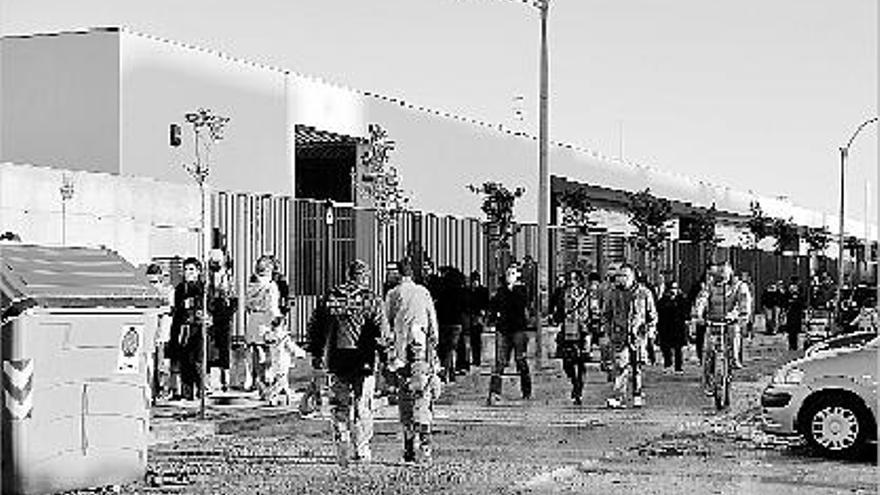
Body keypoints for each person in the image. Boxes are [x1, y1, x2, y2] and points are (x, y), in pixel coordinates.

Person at [308, 260, 389, 465]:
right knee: (363, 405)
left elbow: (316, 327)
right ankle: (361, 448)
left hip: (337, 360)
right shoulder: (371, 299)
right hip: (365, 361)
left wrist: (316, 354)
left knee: (339, 405)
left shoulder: (330, 297)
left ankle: (342, 444)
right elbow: (382, 334)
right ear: (365, 277)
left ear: (348, 275)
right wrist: (387, 358)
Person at [384, 259, 441, 464]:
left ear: (399, 274)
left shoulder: (393, 294)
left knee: (405, 400)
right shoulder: (423, 292)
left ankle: (409, 448)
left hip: (401, 354)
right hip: (422, 352)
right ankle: (425, 447)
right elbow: (433, 324)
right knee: (423, 397)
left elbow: (386, 325)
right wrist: (434, 352)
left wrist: (388, 353)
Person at [691, 262, 752, 395]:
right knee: (707, 352)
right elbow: (702, 299)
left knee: (734, 333)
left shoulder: (740, 286)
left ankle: (734, 358)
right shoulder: (709, 286)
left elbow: (743, 303)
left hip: (730, 322)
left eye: (723, 275)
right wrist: (698, 315)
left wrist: (740, 316)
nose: (721, 279)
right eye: (719, 276)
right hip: (712, 322)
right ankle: (708, 381)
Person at [603, 264, 657, 409]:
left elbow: (652, 315)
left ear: (633, 277)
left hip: (638, 336)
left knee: (636, 366)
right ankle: (618, 397)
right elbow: (606, 315)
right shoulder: (613, 293)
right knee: (620, 366)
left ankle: (637, 394)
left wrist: (649, 330)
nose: (621, 279)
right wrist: (609, 331)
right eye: (619, 276)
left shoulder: (644, 293)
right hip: (619, 335)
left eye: (625, 275)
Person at [487, 263, 532, 406]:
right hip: (504, 329)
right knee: (499, 362)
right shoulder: (501, 291)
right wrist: (493, 318)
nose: (509, 276)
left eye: (513, 273)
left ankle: (526, 389)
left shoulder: (522, 290)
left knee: (520, 360)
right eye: (508, 273)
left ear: (518, 276)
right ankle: (494, 392)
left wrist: (512, 289)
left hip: (518, 329)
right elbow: (494, 306)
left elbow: (521, 304)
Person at [169, 257, 208, 401]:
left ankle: (202, 390)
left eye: (191, 269)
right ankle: (187, 393)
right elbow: (177, 310)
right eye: (185, 269)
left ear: (198, 271)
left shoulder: (203, 287)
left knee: (197, 360)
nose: (188, 272)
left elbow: (208, 306)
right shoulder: (180, 288)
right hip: (184, 328)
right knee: (185, 361)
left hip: (198, 328)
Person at [245, 255, 283, 397]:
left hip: (253, 319)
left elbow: (247, 304)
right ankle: (266, 386)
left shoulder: (252, 284)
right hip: (266, 320)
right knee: (267, 355)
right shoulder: (270, 286)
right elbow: (273, 307)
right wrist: (277, 320)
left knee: (255, 351)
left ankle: (257, 382)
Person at [552, 270, 590, 405]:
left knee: (581, 361)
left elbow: (591, 310)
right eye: (570, 279)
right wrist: (556, 317)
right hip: (567, 329)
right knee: (567, 362)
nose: (572, 281)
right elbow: (557, 309)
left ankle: (578, 388)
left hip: (582, 330)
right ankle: (574, 381)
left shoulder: (586, 294)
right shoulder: (563, 292)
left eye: (575, 279)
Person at [206, 249, 236, 392]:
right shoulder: (207, 277)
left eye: (218, 261)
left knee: (224, 348)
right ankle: (210, 382)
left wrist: (229, 312)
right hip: (211, 314)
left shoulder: (228, 277)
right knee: (210, 348)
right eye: (213, 261)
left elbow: (233, 298)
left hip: (223, 315)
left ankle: (225, 380)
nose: (215, 263)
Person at [146, 263, 174, 403]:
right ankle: (153, 392)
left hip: (162, 335)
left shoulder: (167, 292)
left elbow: (169, 309)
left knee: (161, 365)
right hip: (150, 336)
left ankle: (164, 390)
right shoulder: (146, 294)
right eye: (149, 282)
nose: (152, 286)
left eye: (155, 282)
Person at [436, 266, 467, 382]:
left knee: (444, 348)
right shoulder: (460, 291)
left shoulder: (442, 290)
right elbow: (464, 306)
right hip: (456, 322)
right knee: (451, 348)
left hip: (444, 322)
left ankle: (446, 370)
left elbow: (438, 306)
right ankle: (450, 370)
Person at [457, 270, 489, 372]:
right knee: (467, 340)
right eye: (473, 280)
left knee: (476, 340)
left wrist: (483, 313)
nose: (474, 283)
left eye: (476, 280)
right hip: (468, 317)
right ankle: (468, 360)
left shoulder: (483, 291)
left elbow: (486, 303)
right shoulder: (466, 291)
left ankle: (476, 359)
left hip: (477, 316)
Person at [657, 281, 688, 374]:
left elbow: (685, 313)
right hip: (666, 327)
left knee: (678, 349)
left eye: (675, 288)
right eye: (671, 289)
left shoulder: (681, 300)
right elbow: (660, 312)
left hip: (678, 327)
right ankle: (668, 365)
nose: (673, 291)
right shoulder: (663, 301)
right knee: (666, 348)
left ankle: (678, 367)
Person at [782, 278, 804, 351]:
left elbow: (802, 303)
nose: (793, 288)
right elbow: (784, 303)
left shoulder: (800, 294)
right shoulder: (787, 294)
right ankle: (791, 345)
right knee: (790, 331)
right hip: (790, 315)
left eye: (795, 287)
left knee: (796, 331)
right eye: (792, 287)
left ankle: (795, 345)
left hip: (797, 314)